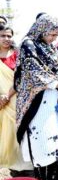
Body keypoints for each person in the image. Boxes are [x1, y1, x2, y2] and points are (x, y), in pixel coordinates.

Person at [14, 14, 58, 180]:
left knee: (54, 137)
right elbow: (32, 71)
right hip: (36, 101)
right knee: (40, 139)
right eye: (52, 34)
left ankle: (54, 178)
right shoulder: (28, 44)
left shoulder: (50, 47)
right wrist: (57, 84)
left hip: (53, 99)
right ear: (42, 29)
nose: (54, 39)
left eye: (56, 35)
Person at [0, 24, 21, 168]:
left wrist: (6, 96)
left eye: (9, 35)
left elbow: (20, 78)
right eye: (3, 35)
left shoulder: (17, 54)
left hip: (15, 98)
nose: (6, 38)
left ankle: (19, 165)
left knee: (16, 130)